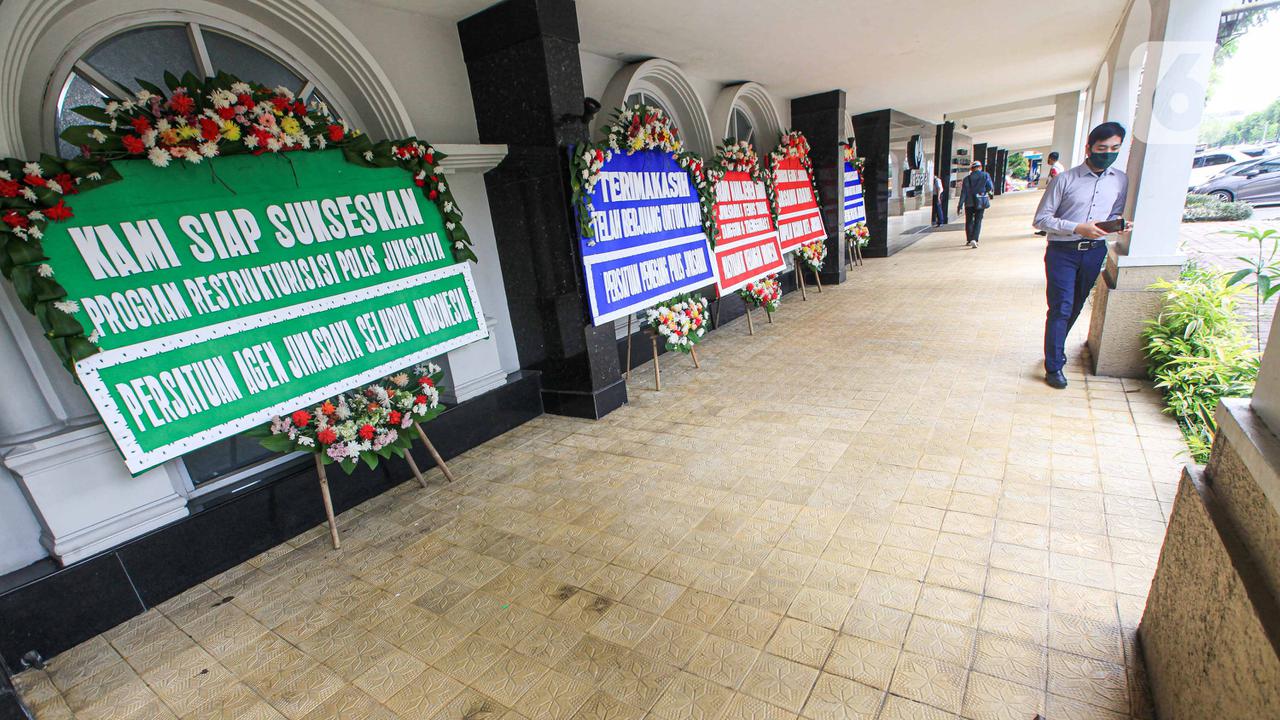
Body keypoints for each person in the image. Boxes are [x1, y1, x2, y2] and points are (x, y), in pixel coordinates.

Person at [1033, 122, 1132, 390]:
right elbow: (1041, 219)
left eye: (1114, 148)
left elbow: (1114, 214)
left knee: (1075, 306)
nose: (1108, 153)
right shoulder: (1065, 180)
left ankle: (1054, 347)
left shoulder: (1120, 180)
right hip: (1062, 252)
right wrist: (1077, 227)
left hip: (1093, 252)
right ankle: (1054, 365)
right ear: (1089, 149)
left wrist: (1116, 226)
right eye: (1102, 148)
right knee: (1061, 307)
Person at [957, 160, 994, 248]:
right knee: (978, 220)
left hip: (969, 202)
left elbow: (963, 193)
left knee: (969, 221)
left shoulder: (966, 179)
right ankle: (975, 239)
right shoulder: (985, 175)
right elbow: (990, 187)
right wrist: (987, 192)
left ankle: (969, 240)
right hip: (980, 201)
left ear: (971, 169)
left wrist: (960, 205)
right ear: (980, 167)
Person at [1034, 151, 1067, 235]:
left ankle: (1045, 229)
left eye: (1048, 159)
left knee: (1048, 210)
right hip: (1059, 190)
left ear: (1051, 159)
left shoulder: (1054, 168)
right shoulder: (1060, 166)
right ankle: (1045, 230)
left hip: (1054, 191)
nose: (1047, 161)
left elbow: (1054, 178)